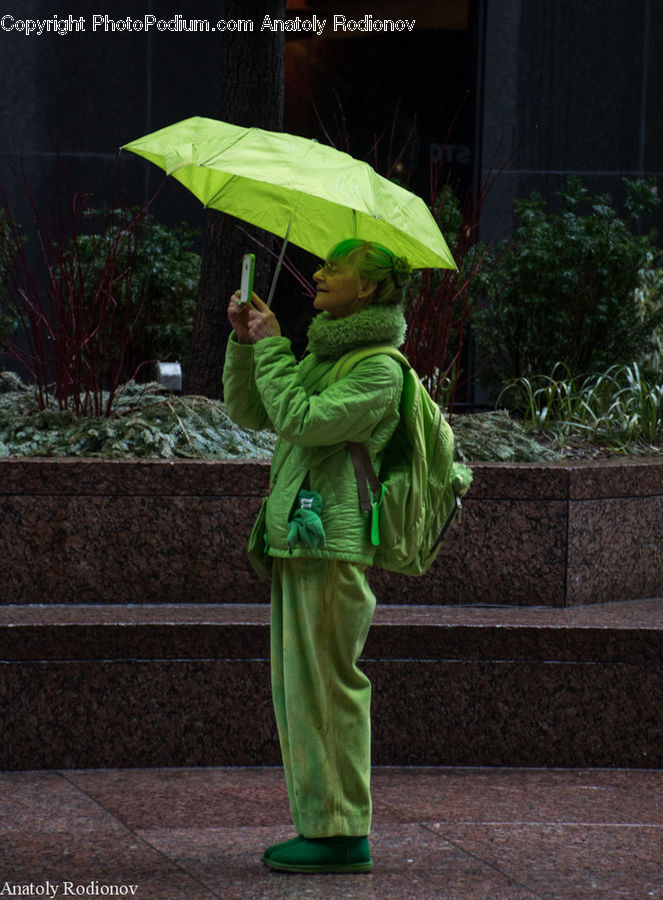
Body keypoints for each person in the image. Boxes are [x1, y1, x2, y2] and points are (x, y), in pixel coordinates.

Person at [222, 238, 411, 874]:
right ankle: (322, 825)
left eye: (336, 267)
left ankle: (341, 833)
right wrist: (249, 342)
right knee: (300, 694)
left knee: (329, 690)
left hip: (331, 547)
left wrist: (275, 346)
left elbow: (301, 421)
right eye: (323, 263)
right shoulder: (325, 352)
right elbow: (252, 410)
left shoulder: (379, 369)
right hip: (300, 543)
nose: (320, 273)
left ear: (371, 289)